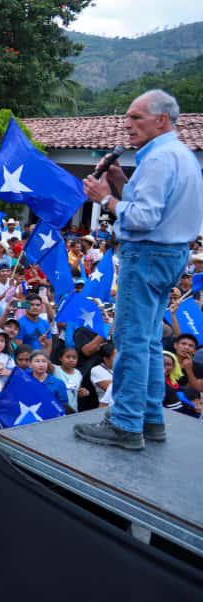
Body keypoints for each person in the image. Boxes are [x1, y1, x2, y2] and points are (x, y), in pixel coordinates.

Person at [77, 90, 203, 450]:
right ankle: (150, 419)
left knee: (132, 341)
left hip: (146, 255)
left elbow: (143, 218)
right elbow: (150, 206)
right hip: (170, 256)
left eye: (136, 117)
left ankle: (126, 424)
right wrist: (117, 181)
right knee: (148, 341)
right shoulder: (181, 155)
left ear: (161, 120)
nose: (127, 124)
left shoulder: (159, 158)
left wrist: (103, 197)